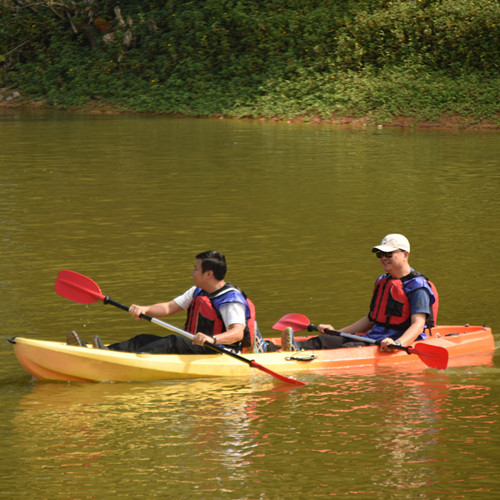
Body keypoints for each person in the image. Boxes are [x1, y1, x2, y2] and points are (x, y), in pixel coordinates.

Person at [67, 251, 255, 354]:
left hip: (219, 351)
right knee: (143, 338)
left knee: (173, 340)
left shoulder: (231, 299)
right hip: (196, 346)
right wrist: (145, 309)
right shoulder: (198, 290)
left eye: (195, 269)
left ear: (209, 274)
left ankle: (129, 361)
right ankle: (105, 352)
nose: (192, 272)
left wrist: (212, 339)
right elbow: (168, 307)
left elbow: (237, 333)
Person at [282, 234, 438, 352]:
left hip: (391, 343)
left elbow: (418, 324)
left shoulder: (417, 286)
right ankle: (270, 348)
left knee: (338, 345)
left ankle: (289, 351)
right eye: (380, 255)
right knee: (326, 339)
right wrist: (337, 332)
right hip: (373, 338)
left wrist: (398, 344)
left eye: (389, 254)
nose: (383, 258)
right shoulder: (383, 281)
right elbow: (371, 319)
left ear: (405, 254)